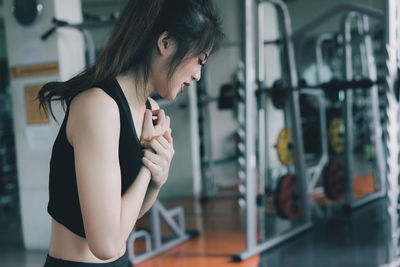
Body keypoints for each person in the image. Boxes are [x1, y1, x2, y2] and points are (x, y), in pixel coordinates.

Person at [38, 0, 223, 266]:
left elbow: (128, 217)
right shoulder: (98, 107)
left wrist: (156, 181)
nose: (197, 76)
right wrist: (148, 168)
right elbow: (106, 244)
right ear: (166, 42)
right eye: (199, 60)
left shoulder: (150, 109)